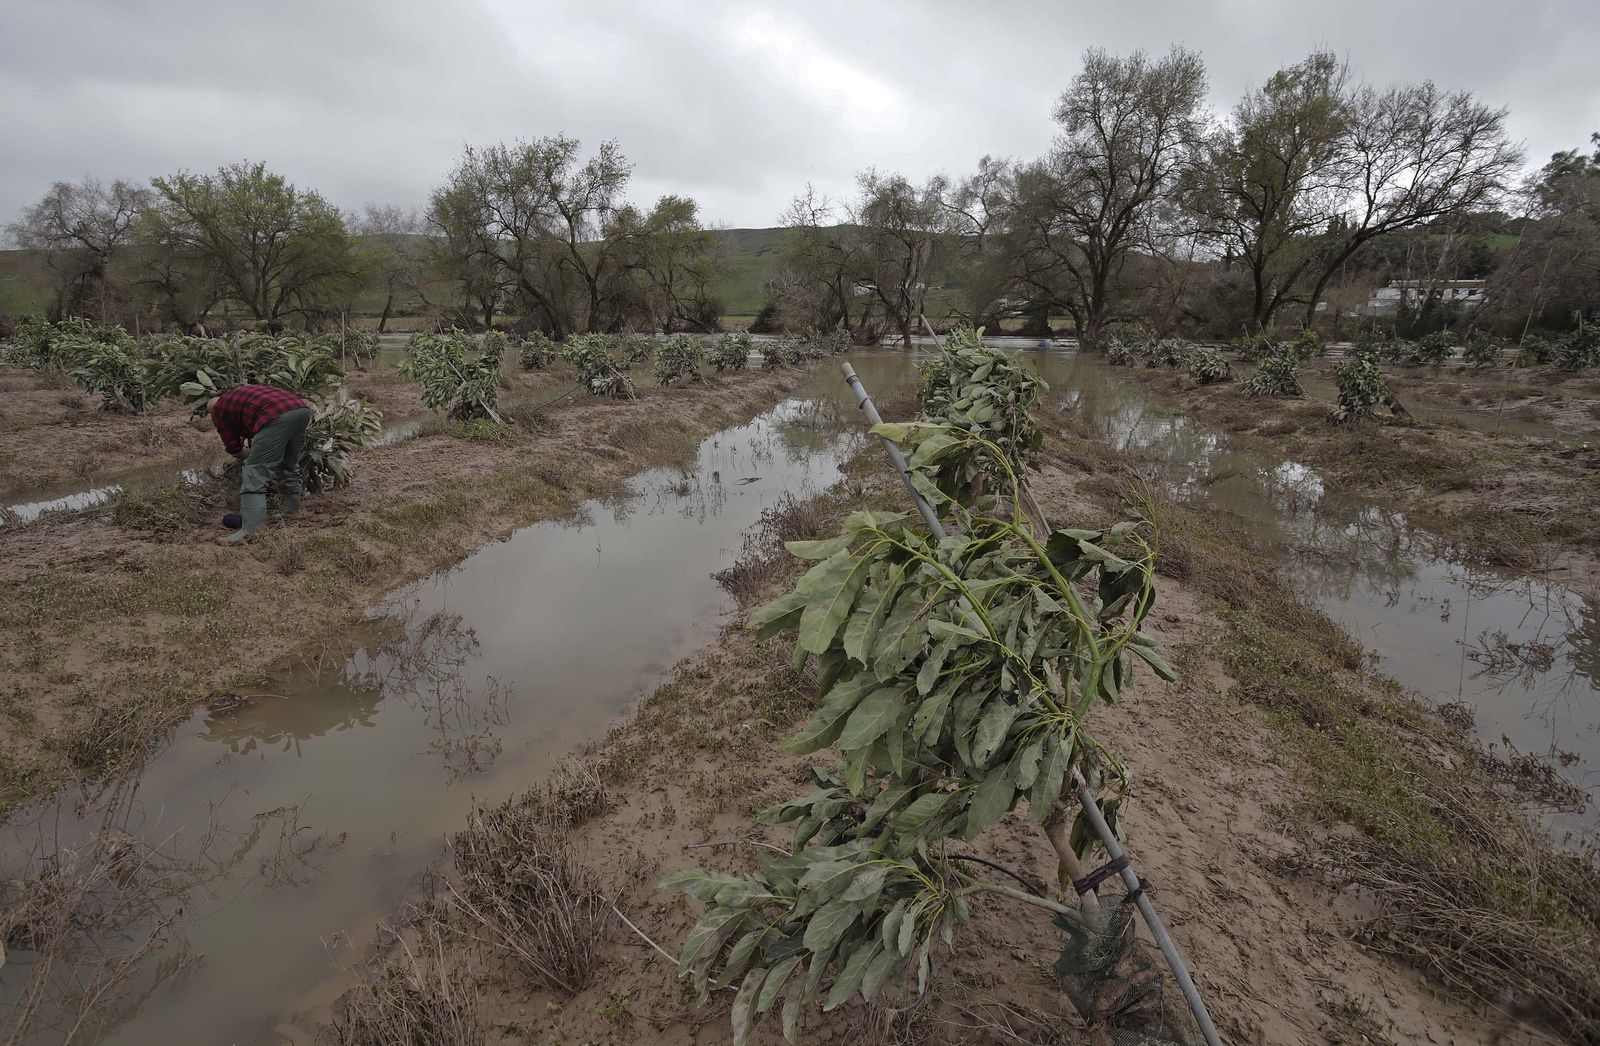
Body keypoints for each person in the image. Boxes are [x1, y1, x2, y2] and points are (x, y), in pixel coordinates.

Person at [209, 384, 312, 542]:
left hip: (275, 417)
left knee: (255, 472)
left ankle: (250, 529)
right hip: (300, 409)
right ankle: (293, 511)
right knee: (287, 464)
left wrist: (254, 456)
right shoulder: (238, 396)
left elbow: (234, 448)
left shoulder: (218, 410)